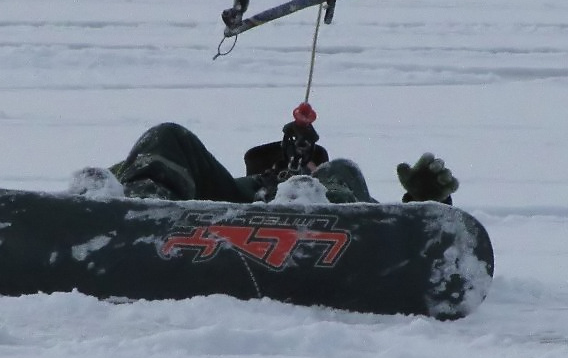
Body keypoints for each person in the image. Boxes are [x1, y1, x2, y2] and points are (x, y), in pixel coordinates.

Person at [106, 103, 459, 205]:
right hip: (222, 217)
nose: (296, 166)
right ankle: (140, 212)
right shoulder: (235, 190)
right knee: (166, 136)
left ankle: (307, 213)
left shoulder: (336, 180)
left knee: (343, 170)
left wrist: (425, 203)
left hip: (335, 229)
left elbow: (395, 239)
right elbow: (142, 163)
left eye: (310, 161)